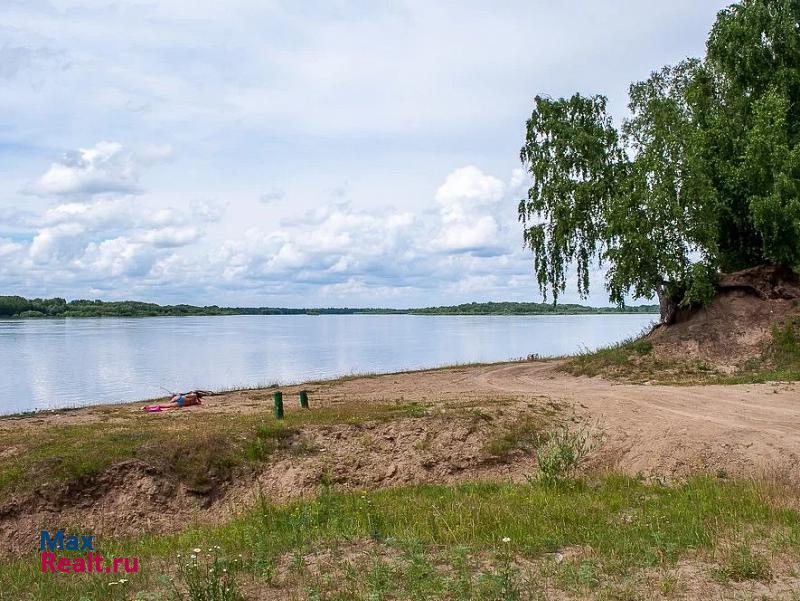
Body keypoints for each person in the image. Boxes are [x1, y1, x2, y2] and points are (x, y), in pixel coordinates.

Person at [143, 390, 209, 411]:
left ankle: (148, 407)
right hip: (180, 399)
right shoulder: (194, 396)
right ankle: (147, 407)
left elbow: (199, 403)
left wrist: (197, 399)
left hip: (180, 402)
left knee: (165, 406)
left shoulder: (195, 401)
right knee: (166, 405)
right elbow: (185, 396)